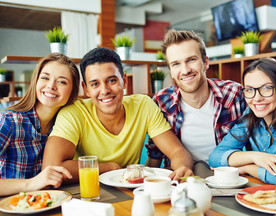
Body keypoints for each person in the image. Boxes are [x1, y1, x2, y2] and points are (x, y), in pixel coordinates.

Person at [42, 47, 193, 182]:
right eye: (95, 84)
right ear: (86, 89)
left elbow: (177, 151)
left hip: (130, 191)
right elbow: (51, 167)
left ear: (124, 81)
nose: (105, 90)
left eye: (112, 80)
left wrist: (181, 168)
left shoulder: (143, 105)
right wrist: (109, 167)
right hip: (86, 192)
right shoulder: (74, 113)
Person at [146, 29, 246, 178]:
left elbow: (257, 142)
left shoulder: (234, 95)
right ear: (171, 71)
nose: (185, 70)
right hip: (183, 182)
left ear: (205, 62)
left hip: (228, 180)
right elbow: (155, 155)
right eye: (176, 64)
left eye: (191, 60)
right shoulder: (161, 103)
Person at [209, 58, 276, 185]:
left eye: (267, 88)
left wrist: (247, 168)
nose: (257, 98)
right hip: (259, 194)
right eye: (249, 89)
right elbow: (214, 158)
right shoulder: (250, 115)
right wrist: (255, 157)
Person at [0, 53, 80, 196]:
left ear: (73, 91)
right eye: (45, 78)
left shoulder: (66, 128)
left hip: (49, 205)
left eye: (62, 82)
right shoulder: (9, 121)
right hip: (11, 210)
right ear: (35, 81)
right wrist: (31, 183)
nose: (51, 86)